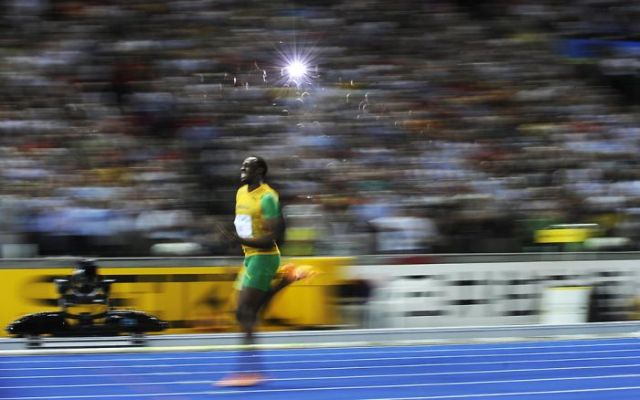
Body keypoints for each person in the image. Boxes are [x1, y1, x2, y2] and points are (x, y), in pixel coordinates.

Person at [216, 156, 314, 387]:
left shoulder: (268, 197)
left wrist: (239, 240)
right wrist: (235, 249)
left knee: (246, 313)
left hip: (264, 257)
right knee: (246, 312)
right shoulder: (241, 193)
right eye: (242, 166)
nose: (242, 168)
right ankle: (288, 278)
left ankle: (250, 372)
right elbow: (244, 227)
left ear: (260, 170)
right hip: (250, 258)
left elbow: (272, 238)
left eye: (247, 166)